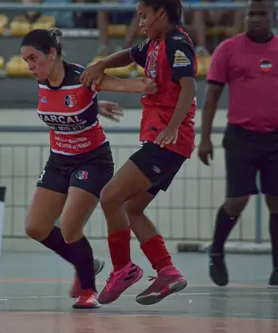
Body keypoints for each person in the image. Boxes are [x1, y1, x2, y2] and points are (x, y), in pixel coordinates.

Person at [20, 28, 157, 309]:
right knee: (35, 227)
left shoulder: (83, 78)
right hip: (59, 160)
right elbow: (67, 105)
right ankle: (86, 263)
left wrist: (164, 81)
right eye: (26, 61)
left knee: (70, 227)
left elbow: (131, 85)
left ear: (53, 54)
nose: (30, 66)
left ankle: (88, 289)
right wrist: (94, 107)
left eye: (34, 58)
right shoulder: (43, 80)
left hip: (92, 160)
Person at [198, 0, 278, 289]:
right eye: (250, 14)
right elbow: (212, 97)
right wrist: (204, 138)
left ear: (273, 16)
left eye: (261, 14)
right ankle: (216, 250)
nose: (255, 19)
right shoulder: (228, 49)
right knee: (237, 200)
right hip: (242, 135)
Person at [80, 0, 197, 305]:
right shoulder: (154, 43)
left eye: (144, 16)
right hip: (163, 142)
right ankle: (167, 272)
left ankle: (123, 269)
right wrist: (102, 63)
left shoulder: (176, 42)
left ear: (161, 13)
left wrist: (172, 126)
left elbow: (188, 87)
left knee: (109, 196)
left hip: (167, 141)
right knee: (132, 208)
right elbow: (128, 54)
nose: (141, 22)